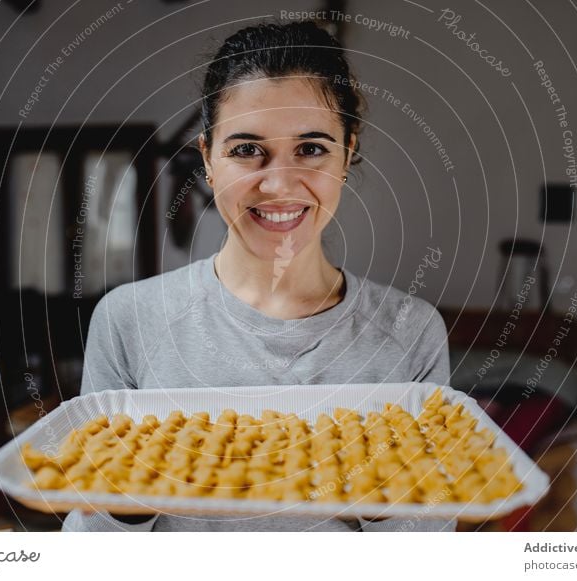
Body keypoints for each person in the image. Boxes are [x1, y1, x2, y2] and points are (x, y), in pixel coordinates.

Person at [62, 20, 454, 532]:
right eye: (247, 149)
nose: (277, 183)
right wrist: (127, 496)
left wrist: (379, 490)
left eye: (311, 148)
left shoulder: (410, 333)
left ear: (347, 151)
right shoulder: (128, 320)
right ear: (207, 157)